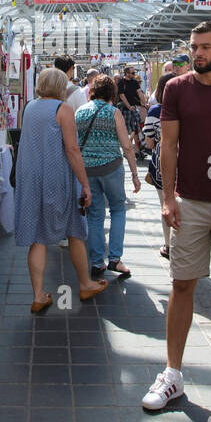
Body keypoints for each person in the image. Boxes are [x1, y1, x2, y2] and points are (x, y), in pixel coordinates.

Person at [144, 21, 211, 411]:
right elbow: (169, 145)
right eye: (194, 47)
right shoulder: (176, 88)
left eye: (205, 47)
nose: (198, 53)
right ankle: (172, 372)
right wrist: (168, 197)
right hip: (188, 200)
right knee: (182, 283)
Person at [15, 68, 106, 313]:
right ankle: (85, 284)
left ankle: (38, 295)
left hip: (31, 178)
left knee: (38, 236)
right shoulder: (62, 109)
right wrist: (85, 184)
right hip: (58, 178)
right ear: (60, 86)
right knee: (75, 230)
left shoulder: (30, 108)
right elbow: (72, 150)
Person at [75, 74, 140, 280]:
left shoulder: (80, 112)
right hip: (111, 167)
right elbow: (127, 146)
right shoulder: (113, 112)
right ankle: (114, 258)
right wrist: (135, 174)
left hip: (87, 170)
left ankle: (96, 261)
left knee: (94, 215)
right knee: (118, 210)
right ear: (112, 92)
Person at [144, 72, 176, 257]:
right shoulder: (186, 108)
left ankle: (169, 245)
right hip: (186, 161)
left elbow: (148, 143)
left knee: (165, 203)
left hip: (162, 162)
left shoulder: (155, 111)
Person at [116, 66, 146, 149]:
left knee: (136, 127)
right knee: (127, 129)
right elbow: (122, 95)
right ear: (127, 73)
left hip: (133, 108)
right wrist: (128, 106)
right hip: (125, 109)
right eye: (132, 73)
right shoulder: (121, 82)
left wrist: (144, 103)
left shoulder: (135, 82)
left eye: (134, 72)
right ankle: (127, 146)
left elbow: (139, 93)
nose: (134, 74)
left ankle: (135, 147)